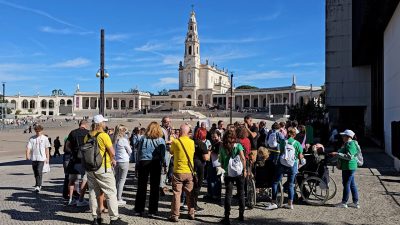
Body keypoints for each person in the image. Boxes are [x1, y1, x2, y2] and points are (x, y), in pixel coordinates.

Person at [85, 115, 122, 225]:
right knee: (110, 192)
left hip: (90, 168)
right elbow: (113, 152)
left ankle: (96, 218)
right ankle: (114, 218)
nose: (105, 124)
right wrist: (111, 158)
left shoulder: (87, 135)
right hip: (103, 167)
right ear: (100, 124)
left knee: (93, 192)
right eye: (104, 122)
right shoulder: (103, 135)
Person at [266, 127, 304, 210]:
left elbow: (281, 152)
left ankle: (273, 202)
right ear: (294, 134)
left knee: (275, 182)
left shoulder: (283, 142)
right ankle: (290, 203)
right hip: (292, 165)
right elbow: (300, 156)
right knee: (291, 184)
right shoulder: (297, 143)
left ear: (287, 134)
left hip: (282, 164)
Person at [134, 122, 166, 216]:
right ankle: (152, 210)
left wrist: (137, 164)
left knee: (141, 186)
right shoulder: (160, 140)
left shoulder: (143, 138)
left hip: (143, 162)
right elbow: (162, 155)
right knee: (154, 187)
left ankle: (139, 209)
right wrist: (164, 165)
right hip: (155, 163)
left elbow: (138, 152)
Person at [219, 129, 247, 225]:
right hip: (239, 172)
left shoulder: (222, 147)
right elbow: (243, 158)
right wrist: (245, 170)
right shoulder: (238, 146)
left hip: (228, 173)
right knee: (241, 193)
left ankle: (227, 217)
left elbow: (221, 162)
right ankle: (241, 215)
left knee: (228, 195)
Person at [169, 124, 195, 222]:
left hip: (178, 171)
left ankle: (175, 215)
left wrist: (175, 139)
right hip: (189, 171)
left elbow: (171, 152)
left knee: (177, 193)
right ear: (188, 132)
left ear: (180, 131)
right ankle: (191, 212)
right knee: (190, 193)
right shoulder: (192, 142)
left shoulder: (176, 142)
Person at [330, 129, 360, 209]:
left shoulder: (350, 144)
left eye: (344, 135)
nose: (342, 137)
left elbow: (349, 157)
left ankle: (344, 202)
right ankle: (355, 202)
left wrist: (337, 154)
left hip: (348, 166)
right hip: (349, 166)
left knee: (346, 184)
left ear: (348, 137)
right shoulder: (349, 143)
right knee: (352, 184)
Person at [65, 120, 90, 207]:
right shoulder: (88, 133)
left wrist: (72, 151)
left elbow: (66, 147)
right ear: (86, 125)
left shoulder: (73, 133)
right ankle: (81, 199)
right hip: (85, 159)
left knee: (72, 180)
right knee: (84, 179)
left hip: (74, 159)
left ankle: (71, 199)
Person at [25, 125, 50, 193]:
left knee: (39, 171)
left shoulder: (45, 138)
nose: (38, 132)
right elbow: (28, 148)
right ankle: (37, 184)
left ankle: (38, 186)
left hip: (42, 158)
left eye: (39, 131)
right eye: (36, 131)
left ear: (42, 131)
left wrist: (48, 158)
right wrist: (27, 155)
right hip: (34, 158)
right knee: (35, 172)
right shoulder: (32, 138)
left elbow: (47, 148)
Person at [113, 124, 132, 206]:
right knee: (122, 180)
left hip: (116, 160)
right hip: (124, 160)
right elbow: (130, 151)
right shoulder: (123, 140)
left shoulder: (114, 139)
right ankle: (119, 198)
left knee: (117, 179)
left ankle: (116, 196)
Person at [192, 128, 210, 212]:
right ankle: (194, 205)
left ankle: (187, 203)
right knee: (197, 185)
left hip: (191, 164)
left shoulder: (191, 141)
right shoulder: (202, 144)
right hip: (199, 165)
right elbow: (206, 158)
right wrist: (209, 152)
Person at [206, 130, 223, 201]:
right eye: (212, 137)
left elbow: (219, 153)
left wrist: (210, 151)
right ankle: (211, 194)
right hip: (212, 163)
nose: (213, 138)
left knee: (216, 180)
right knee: (210, 179)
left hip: (217, 164)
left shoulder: (220, 144)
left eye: (215, 137)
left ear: (219, 136)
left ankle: (216, 196)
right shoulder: (214, 143)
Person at [160, 116, 172, 196]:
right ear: (163, 122)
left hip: (167, 151)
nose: (168, 123)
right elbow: (159, 141)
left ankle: (163, 184)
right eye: (166, 122)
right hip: (163, 151)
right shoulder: (161, 130)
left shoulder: (167, 129)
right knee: (163, 168)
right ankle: (161, 186)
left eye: (169, 121)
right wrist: (168, 142)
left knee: (166, 168)